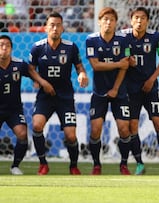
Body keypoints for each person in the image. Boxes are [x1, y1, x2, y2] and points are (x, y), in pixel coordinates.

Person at [28, 11, 88, 175]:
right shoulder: (38, 48)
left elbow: (79, 67)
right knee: (37, 125)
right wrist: (42, 82)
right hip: (45, 96)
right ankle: (43, 163)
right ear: (46, 27)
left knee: (70, 136)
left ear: (63, 28)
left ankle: (73, 165)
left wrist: (82, 75)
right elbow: (31, 69)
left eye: (58, 25)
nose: (55, 28)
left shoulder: (70, 47)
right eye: (52, 25)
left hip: (65, 97)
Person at [85, 7, 137, 175]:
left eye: (111, 20)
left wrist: (115, 88)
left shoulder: (123, 41)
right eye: (105, 19)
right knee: (95, 129)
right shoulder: (91, 40)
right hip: (99, 92)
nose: (108, 22)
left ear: (116, 23)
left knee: (124, 128)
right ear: (99, 21)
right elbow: (95, 65)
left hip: (119, 92)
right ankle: (96, 164)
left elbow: (125, 66)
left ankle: (123, 164)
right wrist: (117, 64)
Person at [122, 7, 159, 175]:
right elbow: (122, 59)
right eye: (136, 17)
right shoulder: (124, 37)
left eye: (143, 18)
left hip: (150, 88)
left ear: (148, 21)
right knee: (132, 126)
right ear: (131, 20)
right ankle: (139, 163)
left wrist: (152, 79)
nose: (139, 21)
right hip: (132, 89)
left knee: (158, 122)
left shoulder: (155, 37)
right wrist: (128, 62)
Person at [0, 35, 29, 175]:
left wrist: (42, 82)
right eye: (1, 45)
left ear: (11, 48)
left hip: (14, 109)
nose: (4, 48)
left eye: (7, 45)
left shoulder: (19, 64)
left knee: (22, 134)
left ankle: (15, 166)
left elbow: (33, 73)